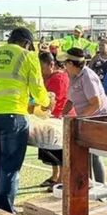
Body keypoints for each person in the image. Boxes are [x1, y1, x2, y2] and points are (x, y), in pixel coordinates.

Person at [0, 27, 52, 212]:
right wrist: (47, 102)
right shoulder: (27, 56)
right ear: (27, 43)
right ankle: (6, 211)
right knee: (10, 167)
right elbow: (37, 88)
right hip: (12, 116)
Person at [58, 48, 107, 182]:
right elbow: (71, 99)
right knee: (85, 153)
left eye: (65, 63)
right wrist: (62, 114)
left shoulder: (87, 76)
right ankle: (88, 185)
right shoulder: (73, 76)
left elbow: (96, 103)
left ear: (71, 64)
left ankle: (100, 186)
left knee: (94, 155)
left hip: (100, 118)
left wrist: (78, 118)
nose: (63, 66)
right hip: (87, 119)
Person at [33, 52, 70, 188]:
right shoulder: (45, 78)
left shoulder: (59, 78)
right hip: (47, 118)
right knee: (49, 148)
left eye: (42, 68)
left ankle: (61, 178)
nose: (41, 71)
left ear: (51, 65)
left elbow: (56, 101)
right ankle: (55, 175)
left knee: (58, 149)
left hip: (59, 118)